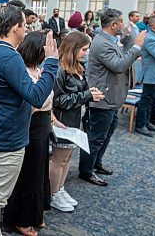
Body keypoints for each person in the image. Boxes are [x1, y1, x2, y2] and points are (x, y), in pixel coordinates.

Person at [0, 5, 59, 236]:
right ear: (15, 28)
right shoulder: (10, 57)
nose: (28, 28)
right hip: (7, 138)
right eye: (25, 24)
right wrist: (51, 63)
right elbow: (36, 96)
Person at [3, 31, 63, 236]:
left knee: (39, 172)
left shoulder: (38, 69)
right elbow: (35, 102)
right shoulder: (23, 72)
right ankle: (21, 219)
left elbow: (47, 100)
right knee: (29, 174)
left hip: (42, 124)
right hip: (31, 125)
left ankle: (35, 213)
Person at [78, 9, 145, 186]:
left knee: (106, 134)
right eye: (121, 21)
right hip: (102, 97)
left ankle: (96, 163)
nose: (123, 24)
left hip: (112, 96)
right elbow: (118, 65)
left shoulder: (110, 40)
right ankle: (86, 170)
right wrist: (137, 47)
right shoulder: (101, 43)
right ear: (113, 25)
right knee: (96, 137)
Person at [51, 32, 104, 212]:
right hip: (63, 122)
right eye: (83, 49)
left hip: (76, 120)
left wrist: (90, 94)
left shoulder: (77, 66)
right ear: (72, 48)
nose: (86, 53)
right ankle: (53, 194)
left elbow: (78, 94)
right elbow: (58, 100)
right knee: (59, 160)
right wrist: (87, 95)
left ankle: (60, 188)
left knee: (67, 159)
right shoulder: (60, 69)